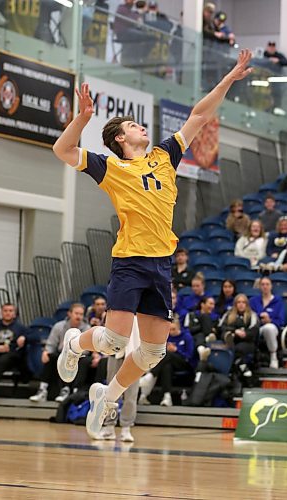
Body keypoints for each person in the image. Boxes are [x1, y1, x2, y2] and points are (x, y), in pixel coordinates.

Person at [52, 49, 253, 439]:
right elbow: (62, 150)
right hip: (130, 260)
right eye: (132, 125)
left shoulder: (164, 155)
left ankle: (107, 397)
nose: (140, 127)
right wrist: (83, 118)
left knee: (151, 353)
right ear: (120, 138)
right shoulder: (111, 166)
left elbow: (199, 115)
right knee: (112, 342)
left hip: (161, 264)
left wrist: (228, 79)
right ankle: (76, 342)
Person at [30, 303, 89, 402]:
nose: (79, 316)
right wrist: (46, 352)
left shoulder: (87, 328)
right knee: (49, 357)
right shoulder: (59, 326)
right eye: (76, 313)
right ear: (69, 314)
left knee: (72, 360)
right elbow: (51, 343)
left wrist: (73, 353)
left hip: (79, 355)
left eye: (81, 314)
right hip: (61, 352)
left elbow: (87, 349)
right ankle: (42, 390)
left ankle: (65, 390)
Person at [139, 318, 194, 407]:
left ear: (179, 328)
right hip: (167, 362)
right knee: (166, 366)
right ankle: (167, 397)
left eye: (174, 329)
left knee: (168, 354)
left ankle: (151, 376)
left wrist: (176, 350)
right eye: (169, 329)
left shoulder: (187, 337)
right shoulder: (166, 337)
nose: (171, 332)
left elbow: (189, 356)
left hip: (183, 363)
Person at [250, 276, 285, 369]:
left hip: (273, 328)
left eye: (267, 284)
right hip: (258, 328)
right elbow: (250, 317)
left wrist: (270, 320)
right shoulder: (253, 301)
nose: (265, 286)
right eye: (262, 284)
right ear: (260, 287)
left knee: (269, 327)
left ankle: (273, 356)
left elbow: (281, 321)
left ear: (271, 286)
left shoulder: (278, 301)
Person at [220, 294, 259, 377]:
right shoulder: (228, 314)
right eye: (239, 302)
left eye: (243, 302)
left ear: (246, 304)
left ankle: (236, 368)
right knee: (226, 336)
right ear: (235, 304)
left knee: (238, 348)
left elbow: (254, 330)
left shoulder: (252, 315)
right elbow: (221, 326)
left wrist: (244, 334)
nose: (241, 304)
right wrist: (235, 331)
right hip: (232, 338)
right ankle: (242, 367)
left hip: (246, 341)